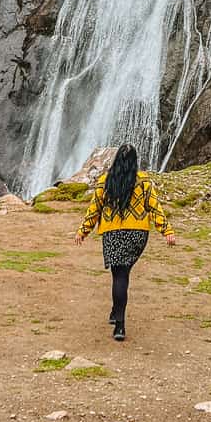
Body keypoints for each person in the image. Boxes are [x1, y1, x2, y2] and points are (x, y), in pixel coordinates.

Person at [75, 143, 175, 341]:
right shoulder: (144, 182)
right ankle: (116, 314)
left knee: (118, 276)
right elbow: (154, 208)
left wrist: (82, 231)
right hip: (137, 234)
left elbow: (94, 210)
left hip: (112, 234)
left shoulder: (105, 182)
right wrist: (167, 231)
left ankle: (119, 324)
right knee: (124, 274)